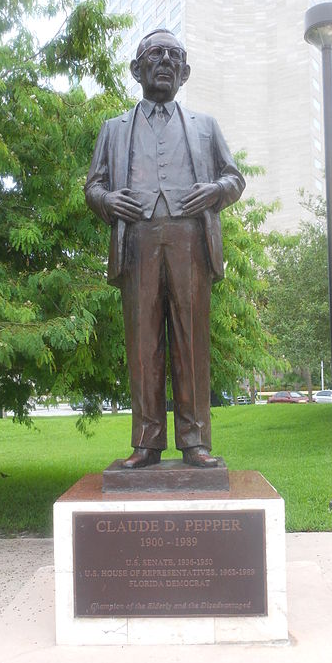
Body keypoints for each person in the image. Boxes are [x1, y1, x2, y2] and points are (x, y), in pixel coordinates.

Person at [85, 29, 245, 469]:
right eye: (155, 54)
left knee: (191, 340)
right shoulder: (114, 128)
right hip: (136, 241)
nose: (165, 62)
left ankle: (195, 441)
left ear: (185, 71)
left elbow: (235, 179)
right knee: (143, 345)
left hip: (190, 241)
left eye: (175, 56)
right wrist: (107, 200)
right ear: (137, 69)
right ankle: (147, 443)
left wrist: (214, 191)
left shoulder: (205, 126)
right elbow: (94, 186)